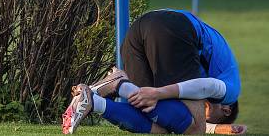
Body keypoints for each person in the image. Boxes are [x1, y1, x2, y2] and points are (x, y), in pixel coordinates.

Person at [63, 9, 245, 134]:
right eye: (211, 119)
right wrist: (158, 92)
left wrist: (217, 129)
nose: (207, 120)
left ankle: (94, 101)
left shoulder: (217, 74)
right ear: (226, 110)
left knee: (155, 119)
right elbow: (207, 86)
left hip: (139, 28)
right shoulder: (231, 91)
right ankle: (118, 84)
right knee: (194, 129)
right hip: (174, 28)